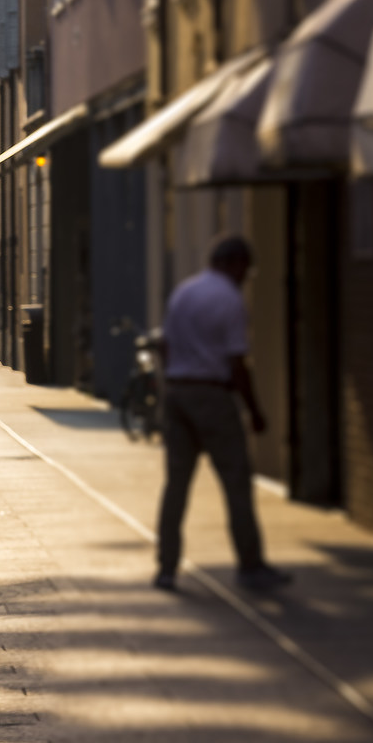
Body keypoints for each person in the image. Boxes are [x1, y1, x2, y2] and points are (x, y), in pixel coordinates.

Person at [152, 235, 291, 596]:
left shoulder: (184, 292)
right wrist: (254, 410)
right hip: (212, 395)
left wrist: (173, 383)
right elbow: (236, 363)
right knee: (236, 482)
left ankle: (167, 567)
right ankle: (250, 564)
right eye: (246, 268)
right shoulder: (229, 300)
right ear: (234, 263)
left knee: (176, 485)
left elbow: (166, 345)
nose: (246, 276)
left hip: (178, 392)